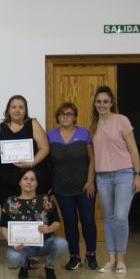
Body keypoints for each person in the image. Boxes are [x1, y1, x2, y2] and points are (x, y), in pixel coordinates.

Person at [90, 86, 140, 274]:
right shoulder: (93, 125)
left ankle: (121, 259)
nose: (102, 105)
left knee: (120, 217)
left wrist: (137, 174)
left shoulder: (121, 120)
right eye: (98, 101)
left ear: (111, 103)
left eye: (105, 101)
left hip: (124, 174)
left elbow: (134, 149)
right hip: (102, 176)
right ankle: (111, 259)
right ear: (94, 103)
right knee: (109, 218)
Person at [48, 102, 98, 270]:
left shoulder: (84, 133)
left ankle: (91, 255)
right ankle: (74, 257)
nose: (66, 117)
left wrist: (90, 181)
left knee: (88, 221)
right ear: (58, 117)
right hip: (62, 188)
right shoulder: (51, 136)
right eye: (62, 114)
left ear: (75, 117)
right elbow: (48, 164)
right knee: (70, 223)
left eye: (69, 114)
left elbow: (92, 159)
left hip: (85, 187)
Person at [0, 169, 68, 279]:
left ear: (37, 183)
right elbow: (3, 226)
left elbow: (57, 222)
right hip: (23, 246)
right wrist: (11, 242)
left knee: (62, 244)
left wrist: (49, 228)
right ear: (20, 182)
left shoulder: (46, 200)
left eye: (32, 179)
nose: (28, 182)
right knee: (13, 257)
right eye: (25, 179)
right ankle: (24, 265)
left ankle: (49, 267)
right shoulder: (10, 202)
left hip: (45, 243)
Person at [0, 95, 50, 205]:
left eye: (21, 107)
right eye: (14, 107)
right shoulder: (0, 127)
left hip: (29, 179)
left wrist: (30, 164)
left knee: (32, 213)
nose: (17, 110)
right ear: (8, 109)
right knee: (10, 214)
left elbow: (45, 148)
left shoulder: (33, 124)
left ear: (25, 110)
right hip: (6, 181)